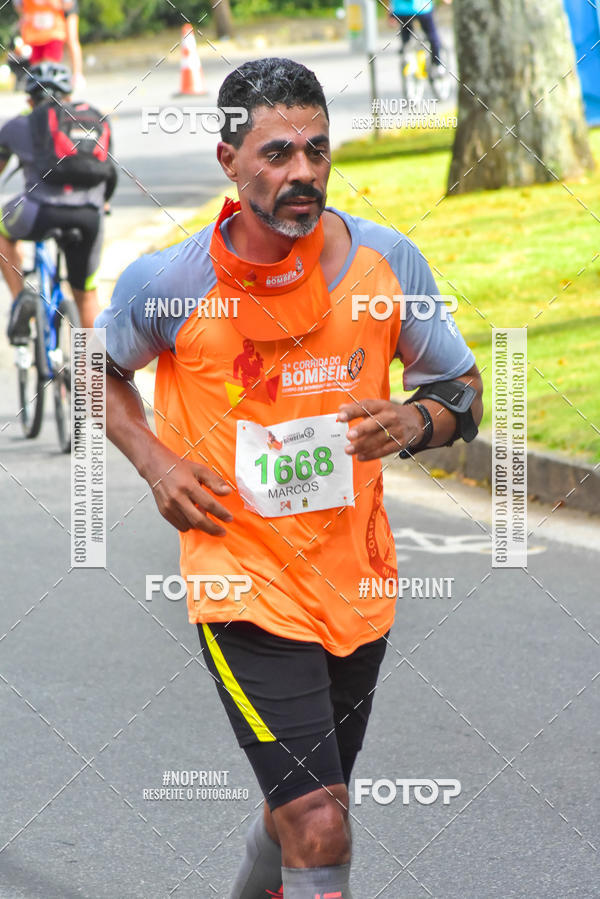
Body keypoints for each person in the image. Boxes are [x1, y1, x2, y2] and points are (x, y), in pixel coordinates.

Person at [97, 57, 483, 899]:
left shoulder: (386, 264)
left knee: (298, 811)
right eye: (276, 152)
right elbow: (95, 371)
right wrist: (155, 461)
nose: (302, 170)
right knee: (320, 817)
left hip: (355, 585)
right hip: (241, 581)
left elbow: (461, 389)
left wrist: (420, 420)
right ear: (229, 160)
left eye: (316, 148)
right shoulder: (170, 283)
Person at [0, 61, 116, 342]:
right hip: (89, 216)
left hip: (38, 212)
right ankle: (95, 381)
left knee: (2, 232)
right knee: (87, 296)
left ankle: (21, 300)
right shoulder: (88, 123)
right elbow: (106, 173)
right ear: (68, 96)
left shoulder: (17, 125)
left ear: (29, 99)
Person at [12, 0, 84, 88]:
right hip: (44, 16)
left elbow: (68, 5)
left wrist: (55, 4)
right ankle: (40, 80)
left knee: (71, 39)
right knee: (39, 48)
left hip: (63, 7)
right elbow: (20, 7)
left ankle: (77, 75)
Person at [388, 0, 452, 73]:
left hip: (400, 10)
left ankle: (406, 51)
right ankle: (437, 64)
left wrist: (390, 14)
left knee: (405, 31)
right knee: (432, 34)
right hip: (422, 9)